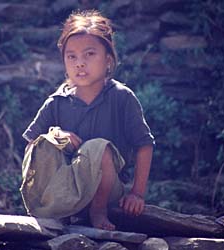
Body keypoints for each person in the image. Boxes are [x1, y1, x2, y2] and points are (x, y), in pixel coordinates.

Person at [21, 10, 154, 231]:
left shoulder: (121, 97)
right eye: (71, 56)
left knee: (98, 148)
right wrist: (56, 136)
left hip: (107, 189)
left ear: (108, 60)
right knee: (45, 142)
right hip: (65, 190)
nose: (80, 63)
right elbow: (32, 151)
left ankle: (97, 211)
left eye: (89, 54)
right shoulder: (56, 102)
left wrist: (137, 194)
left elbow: (144, 145)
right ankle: (51, 211)